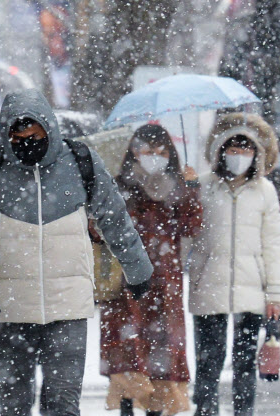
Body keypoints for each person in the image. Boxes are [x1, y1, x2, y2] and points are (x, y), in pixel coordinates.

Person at [0, 89, 153, 416]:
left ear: (49, 128)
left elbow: (115, 219)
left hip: (68, 308)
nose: (27, 142)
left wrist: (138, 270)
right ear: (6, 136)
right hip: (9, 307)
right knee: (8, 406)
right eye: (17, 137)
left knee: (62, 405)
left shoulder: (80, 163)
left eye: (34, 134)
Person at [188, 113, 280, 416]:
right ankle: (205, 411)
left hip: (251, 289)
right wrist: (184, 190)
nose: (239, 156)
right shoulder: (202, 187)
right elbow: (184, 232)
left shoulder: (265, 191)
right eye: (233, 149)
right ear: (220, 151)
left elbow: (273, 245)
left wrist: (275, 293)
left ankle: (244, 412)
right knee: (209, 359)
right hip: (209, 284)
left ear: (257, 153)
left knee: (244, 362)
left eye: (246, 150)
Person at [100, 124, 203, 416]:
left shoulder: (177, 186)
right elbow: (102, 227)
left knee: (161, 352)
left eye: (161, 151)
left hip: (164, 282)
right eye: (148, 150)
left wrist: (191, 190)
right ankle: (126, 406)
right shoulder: (118, 185)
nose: (154, 157)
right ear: (134, 151)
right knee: (129, 349)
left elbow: (191, 227)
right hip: (126, 279)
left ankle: (156, 409)